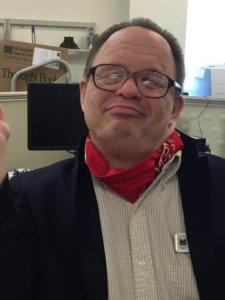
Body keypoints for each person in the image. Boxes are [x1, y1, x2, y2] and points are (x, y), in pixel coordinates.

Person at [0, 17, 225, 300]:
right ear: (83, 94)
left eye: (151, 80)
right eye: (110, 74)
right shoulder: (29, 200)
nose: (128, 90)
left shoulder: (220, 186)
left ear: (175, 108)